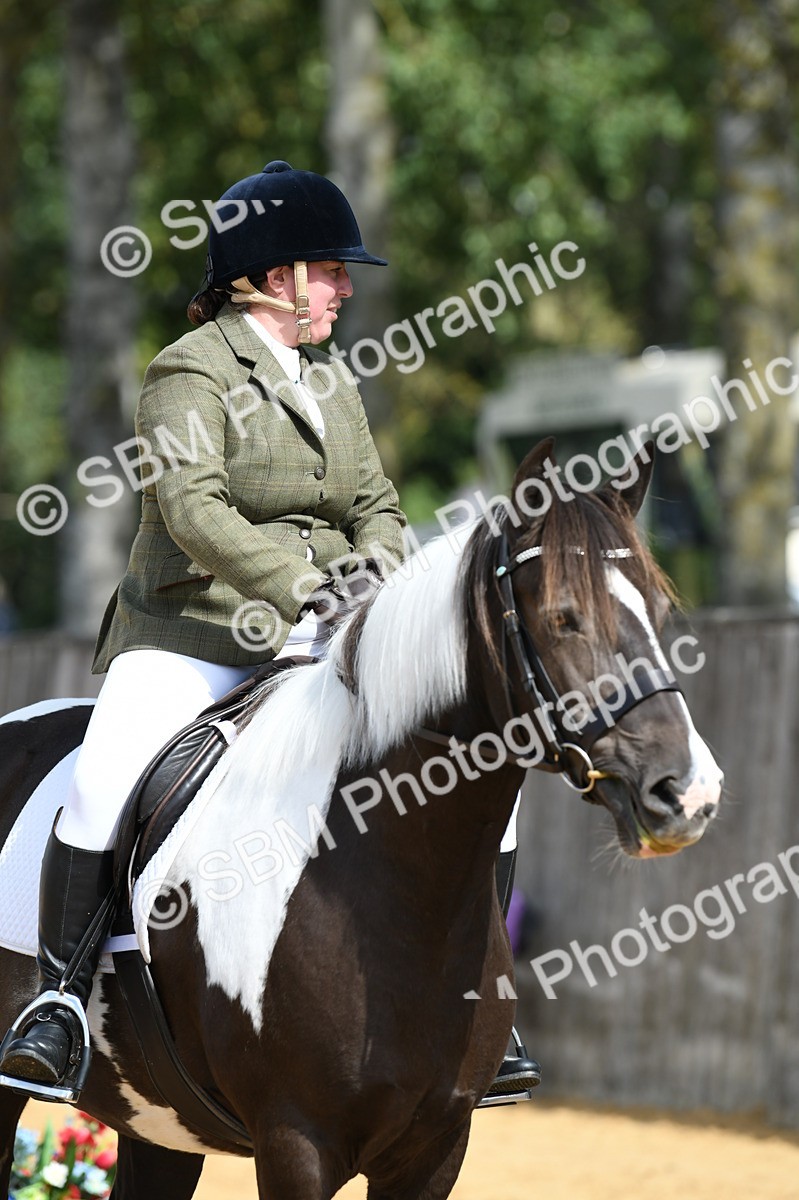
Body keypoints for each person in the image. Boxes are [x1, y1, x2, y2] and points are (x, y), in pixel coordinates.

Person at [0, 160, 538, 1102]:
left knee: (480, 756)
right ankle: (60, 1003)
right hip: (190, 637)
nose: (344, 287)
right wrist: (306, 585)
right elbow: (194, 509)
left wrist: (380, 580)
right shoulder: (188, 372)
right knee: (102, 778)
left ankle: (478, 1000)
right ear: (271, 275)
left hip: (324, 635)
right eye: (331, 269)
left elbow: (374, 501)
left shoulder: (332, 382)